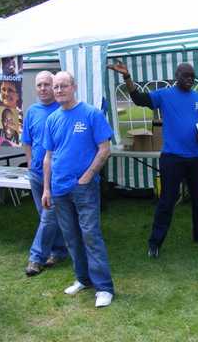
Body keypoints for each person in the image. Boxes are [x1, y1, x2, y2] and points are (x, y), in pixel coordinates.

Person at [107, 61, 198, 258]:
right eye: (186, 76)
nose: (190, 79)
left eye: (192, 76)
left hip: (195, 157)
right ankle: (155, 242)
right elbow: (139, 99)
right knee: (167, 200)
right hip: (172, 157)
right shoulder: (165, 95)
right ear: (177, 76)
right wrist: (127, 77)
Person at [42, 71, 114, 307]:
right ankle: (83, 279)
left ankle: (104, 287)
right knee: (71, 237)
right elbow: (48, 157)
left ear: (74, 87)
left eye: (63, 86)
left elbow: (105, 148)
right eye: (56, 87)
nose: (59, 90)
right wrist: (46, 189)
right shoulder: (52, 119)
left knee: (91, 235)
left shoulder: (91, 114)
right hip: (59, 189)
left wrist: (88, 175)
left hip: (84, 187)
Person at [22, 71, 66, 277]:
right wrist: (30, 162)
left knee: (48, 216)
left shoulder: (63, 108)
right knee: (46, 216)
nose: (43, 89)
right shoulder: (31, 111)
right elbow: (27, 140)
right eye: (39, 85)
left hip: (56, 175)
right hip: (36, 173)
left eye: (47, 84)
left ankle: (36, 258)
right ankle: (59, 251)